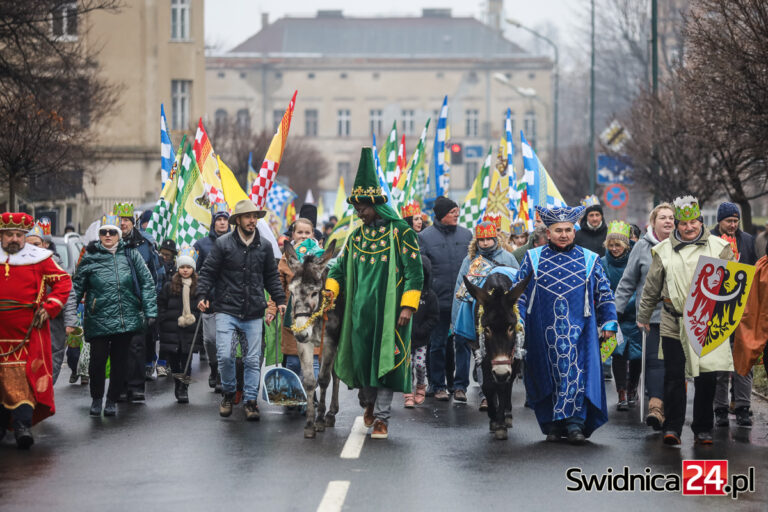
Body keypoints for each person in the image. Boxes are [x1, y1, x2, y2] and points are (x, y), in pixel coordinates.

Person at [325, 147, 424, 439]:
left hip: (391, 313)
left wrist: (408, 306)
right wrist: (330, 291)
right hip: (359, 314)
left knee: (385, 363)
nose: (358, 212)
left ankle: (381, 418)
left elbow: (415, 272)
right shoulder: (355, 235)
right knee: (362, 363)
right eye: (356, 208)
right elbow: (338, 269)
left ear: (375, 206)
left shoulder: (400, 232)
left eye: (362, 208)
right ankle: (367, 403)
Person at [514, 205, 618, 444]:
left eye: (568, 230)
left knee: (576, 373)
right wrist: (518, 320)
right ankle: (552, 424)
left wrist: (610, 321)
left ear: (575, 231)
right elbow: (518, 293)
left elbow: (604, 292)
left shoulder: (590, 259)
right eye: (558, 230)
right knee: (545, 375)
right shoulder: (533, 258)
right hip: (542, 332)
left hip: (581, 331)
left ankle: (575, 424)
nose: (564, 234)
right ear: (548, 232)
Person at [637, 196, 734, 446]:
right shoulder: (662, 250)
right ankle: (673, 427)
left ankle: (703, 428)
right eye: (683, 223)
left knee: (707, 377)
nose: (689, 227)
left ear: (701, 222)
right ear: (677, 225)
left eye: (693, 222)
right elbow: (651, 287)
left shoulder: (720, 247)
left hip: (707, 323)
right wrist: (644, 316)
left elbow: (733, 285)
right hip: (673, 321)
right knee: (674, 375)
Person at [197, 199, 286, 421]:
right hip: (226, 308)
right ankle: (228, 393)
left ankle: (250, 401)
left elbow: (272, 277)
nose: (252, 220)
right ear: (238, 220)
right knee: (225, 355)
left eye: (255, 216)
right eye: (248, 216)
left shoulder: (264, 246)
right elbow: (208, 271)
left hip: (254, 310)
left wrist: (280, 299)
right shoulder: (223, 244)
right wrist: (201, 295)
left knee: (253, 359)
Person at [64, 214, 157, 417]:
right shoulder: (89, 257)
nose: (108, 235)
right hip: (99, 319)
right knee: (97, 362)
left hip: (126, 319)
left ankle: (112, 400)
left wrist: (150, 311)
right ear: (99, 235)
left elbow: (147, 282)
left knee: (120, 362)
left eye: (112, 232)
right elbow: (75, 289)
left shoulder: (131, 254)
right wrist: (70, 317)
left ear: (118, 235)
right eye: (104, 232)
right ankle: (97, 398)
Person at [1, 212, 72, 449]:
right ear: (2, 236)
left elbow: (63, 281)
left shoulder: (39, 258)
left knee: (25, 379)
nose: (15, 239)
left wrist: (50, 307)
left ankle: (22, 425)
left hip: (28, 333)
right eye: (10, 234)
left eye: (19, 235)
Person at [615, 203, 675, 429]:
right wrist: (615, 312)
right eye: (663, 218)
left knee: (674, 366)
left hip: (680, 317)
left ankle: (671, 408)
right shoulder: (642, 247)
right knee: (655, 363)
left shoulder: (683, 245)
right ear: (653, 222)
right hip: (651, 318)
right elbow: (627, 282)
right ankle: (655, 408)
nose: (668, 221)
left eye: (671, 217)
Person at [452, 220, 519, 409]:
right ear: (477, 241)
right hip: (479, 317)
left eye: (489, 239)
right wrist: (457, 319)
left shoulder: (508, 258)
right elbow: (461, 288)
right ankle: (484, 395)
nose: (486, 243)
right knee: (481, 355)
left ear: (495, 238)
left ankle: (503, 394)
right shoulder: (470, 261)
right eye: (482, 240)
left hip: (504, 318)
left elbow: (518, 283)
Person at [419, 195, 472, 402]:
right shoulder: (424, 237)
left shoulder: (467, 235)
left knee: (463, 344)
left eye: (457, 211)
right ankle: (438, 385)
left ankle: (460, 386)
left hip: (463, 300)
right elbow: (421, 270)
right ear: (441, 215)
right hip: (438, 301)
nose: (456, 214)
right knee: (438, 344)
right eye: (452, 212)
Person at [710, 202, 757, 427]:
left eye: (736, 221)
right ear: (720, 221)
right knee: (720, 362)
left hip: (744, 309)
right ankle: (719, 408)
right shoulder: (708, 240)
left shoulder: (747, 240)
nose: (732, 225)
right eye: (729, 221)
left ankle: (742, 407)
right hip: (717, 309)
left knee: (743, 359)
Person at [115, 202, 163, 396]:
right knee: (118, 348)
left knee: (136, 345)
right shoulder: (108, 243)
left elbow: (156, 274)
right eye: (120, 220)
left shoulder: (145, 244)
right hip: (115, 304)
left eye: (126, 220)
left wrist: (150, 302)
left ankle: (135, 387)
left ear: (133, 222)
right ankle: (120, 387)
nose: (123, 224)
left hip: (137, 304)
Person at [269, 219, 322, 385]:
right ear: (292, 234)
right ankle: (293, 395)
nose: (303, 236)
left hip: (314, 317)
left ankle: (308, 400)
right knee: (292, 362)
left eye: (308, 232)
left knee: (312, 361)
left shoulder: (320, 256)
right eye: (300, 232)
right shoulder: (286, 257)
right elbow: (277, 286)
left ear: (313, 234)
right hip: (292, 317)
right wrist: (272, 309)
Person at [601, 221, 642, 411]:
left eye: (618, 245)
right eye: (611, 245)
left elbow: (639, 284)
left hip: (635, 314)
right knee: (618, 354)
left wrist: (631, 303)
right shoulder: (603, 263)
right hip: (614, 315)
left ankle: (633, 387)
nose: (614, 249)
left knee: (636, 356)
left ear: (626, 245)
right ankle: (622, 392)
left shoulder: (636, 258)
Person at [194, 202, 230, 392]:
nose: (222, 223)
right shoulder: (202, 244)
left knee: (226, 342)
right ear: (213, 222)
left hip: (229, 302)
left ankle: (224, 374)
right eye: (219, 219)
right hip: (209, 301)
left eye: (225, 219)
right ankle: (213, 367)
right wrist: (202, 294)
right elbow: (196, 272)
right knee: (210, 340)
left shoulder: (236, 241)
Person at [157, 246, 200, 404]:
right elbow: (161, 303)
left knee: (186, 359)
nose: (185, 270)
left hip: (189, 329)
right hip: (172, 328)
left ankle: (184, 389)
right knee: (174, 360)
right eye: (182, 267)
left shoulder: (197, 286)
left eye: (188, 267)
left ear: (193, 269)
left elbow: (200, 305)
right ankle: (177, 383)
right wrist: (162, 319)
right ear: (178, 268)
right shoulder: (170, 286)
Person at [405, 257, 439, 408]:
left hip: (421, 340)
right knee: (406, 365)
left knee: (419, 365)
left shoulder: (430, 296)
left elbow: (434, 317)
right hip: (405, 338)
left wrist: (422, 330)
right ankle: (408, 392)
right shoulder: (404, 293)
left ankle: (420, 386)